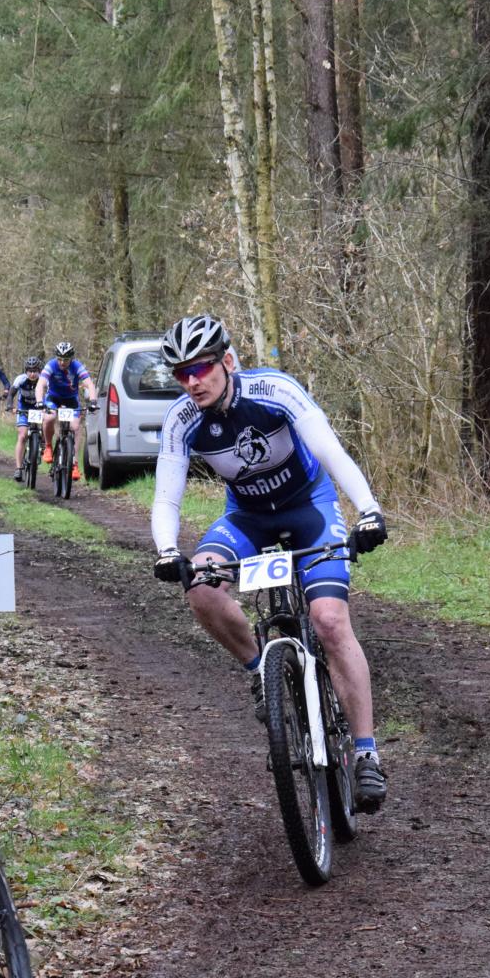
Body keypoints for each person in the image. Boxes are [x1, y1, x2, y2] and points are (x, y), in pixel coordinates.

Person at [147, 315, 391, 812]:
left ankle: (366, 752)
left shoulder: (274, 389)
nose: (192, 381)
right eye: (181, 373)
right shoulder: (182, 419)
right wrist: (167, 550)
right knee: (201, 587)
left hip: (310, 508)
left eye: (201, 368)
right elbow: (167, 497)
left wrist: (368, 509)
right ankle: (262, 672)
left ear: (227, 361)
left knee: (329, 620)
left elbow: (329, 449)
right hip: (248, 519)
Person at [33, 341, 98, 482]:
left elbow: (89, 384)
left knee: (75, 427)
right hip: (53, 398)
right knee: (49, 418)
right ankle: (48, 446)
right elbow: (40, 384)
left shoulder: (77, 366)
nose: (62, 362)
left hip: (71, 399)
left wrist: (93, 401)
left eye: (66, 360)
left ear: (71, 359)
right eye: (60, 359)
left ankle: (74, 463)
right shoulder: (51, 365)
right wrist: (39, 401)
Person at [6, 357, 43, 477]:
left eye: (35, 371)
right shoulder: (20, 379)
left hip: (38, 408)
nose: (32, 374)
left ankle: (42, 443)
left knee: (46, 425)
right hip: (23, 408)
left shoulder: (44, 380)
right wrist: (10, 406)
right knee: (22, 436)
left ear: (39, 371)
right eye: (30, 371)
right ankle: (18, 468)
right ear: (26, 371)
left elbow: (51, 395)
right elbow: (11, 394)